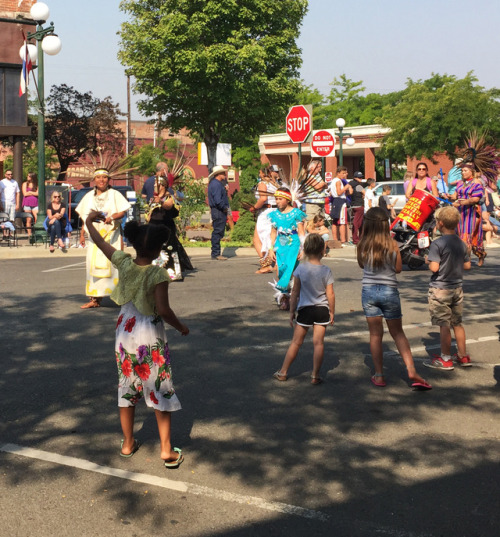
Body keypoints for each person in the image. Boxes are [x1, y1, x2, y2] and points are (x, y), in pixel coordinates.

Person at [85, 211, 189, 468]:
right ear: (157, 250)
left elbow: (101, 244)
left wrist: (89, 222)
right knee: (159, 385)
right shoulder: (158, 274)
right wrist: (181, 327)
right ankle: (166, 450)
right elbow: (163, 310)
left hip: (125, 331)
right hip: (149, 332)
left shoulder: (124, 262)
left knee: (127, 384)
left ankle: (128, 442)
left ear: (133, 245)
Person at [357, 207, 431, 390]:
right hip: (389, 291)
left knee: (375, 334)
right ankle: (412, 370)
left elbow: (361, 264)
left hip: (369, 291)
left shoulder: (363, 245)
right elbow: (398, 269)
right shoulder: (393, 245)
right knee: (398, 332)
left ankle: (379, 374)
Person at [273, 234, 335, 384]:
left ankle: (283, 371)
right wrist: (332, 311)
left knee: (296, 342)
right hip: (322, 309)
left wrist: (291, 312)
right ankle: (315, 375)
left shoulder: (300, 269)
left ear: (305, 249)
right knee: (318, 343)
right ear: (322, 250)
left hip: (305, 309)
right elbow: (330, 294)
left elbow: (295, 293)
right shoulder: (326, 270)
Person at [423, 206, 471, 371]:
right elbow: (467, 265)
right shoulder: (461, 243)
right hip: (457, 287)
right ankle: (463, 355)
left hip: (440, 289)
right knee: (457, 323)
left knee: (444, 324)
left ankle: (445, 358)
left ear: (440, 223)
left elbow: (434, 268)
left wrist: (428, 260)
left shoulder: (438, 243)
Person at [76, 168, 130, 309]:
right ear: (94, 180)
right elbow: (85, 217)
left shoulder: (115, 194)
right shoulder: (89, 197)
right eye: (98, 177)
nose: (101, 180)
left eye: (104, 177)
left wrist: (111, 217)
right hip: (95, 238)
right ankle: (94, 299)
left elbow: (122, 212)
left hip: (111, 236)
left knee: (114, 267)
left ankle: (120, 298)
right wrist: (82, 233)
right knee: (92, 266)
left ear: (108, 179)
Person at [268, 188, 306, 310]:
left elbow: (301, 232)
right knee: (281, 270)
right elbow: (273, 232)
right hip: (280, 244)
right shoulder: (274, 214)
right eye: (276, 199)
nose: (277, 201)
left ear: (288, 200)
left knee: (292, 270)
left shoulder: (296, 213)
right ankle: (284, 296)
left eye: (280, 199)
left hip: (293, 245)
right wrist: (270, 248)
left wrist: (303, 248)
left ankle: (293, 298)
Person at [451, 163, 486, 266]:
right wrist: (448, 196)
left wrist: (462, 202)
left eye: (465, 170)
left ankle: (468, 259)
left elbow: (476, 199)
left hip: (472, 212)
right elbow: (455, 195)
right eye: (462, 171)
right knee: (460, 235)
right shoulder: (460, 183)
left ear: (472, 171)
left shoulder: (476, 183)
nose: (463, 172)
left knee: (467, 236)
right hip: (460, 212)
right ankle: (471, 257)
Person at [251, 168, 279, 274]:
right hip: (275, 210)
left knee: (257, 239)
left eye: (260, 172)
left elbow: (263, 199)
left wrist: (254, 207)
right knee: (272, 237)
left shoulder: (263, 183)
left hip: (266, 211)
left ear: (263, 173)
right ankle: (277, 263)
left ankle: (265, 264)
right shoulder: (275, 184)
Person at [207, 165, 230, 260]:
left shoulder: (215, 184)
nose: (225, 175)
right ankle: (216, 253)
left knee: (218, 231)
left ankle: (216, 252)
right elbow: (217, 200)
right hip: (218, 211)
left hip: (218, 210)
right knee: (217, 231)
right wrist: (224, 207)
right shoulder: (216, 184)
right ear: (218, 174)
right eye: (223, 173)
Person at [328, 166, 351, 245]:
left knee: (335, 221)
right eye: (343, 173)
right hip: (340, 201)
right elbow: (339, 192)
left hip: (335, 201)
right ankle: (343, 240)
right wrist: (345, 187)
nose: (344, 175)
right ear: (338, 173)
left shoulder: (334, 181)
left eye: (345, 173)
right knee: (342, 222)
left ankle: (335, 239)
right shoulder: (338, 181)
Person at [348, 171, 367, 244]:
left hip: (353, 205)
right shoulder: (358, 186)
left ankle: (361, 238)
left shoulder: (350, 184)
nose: (361, 178)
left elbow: (350, 193)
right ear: (355, 178)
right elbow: (364, 193)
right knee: (357, 223)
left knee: (360, 222)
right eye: (359, 177)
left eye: (361, 177)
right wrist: (363, 196)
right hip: (359, 205)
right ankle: (356, 239)